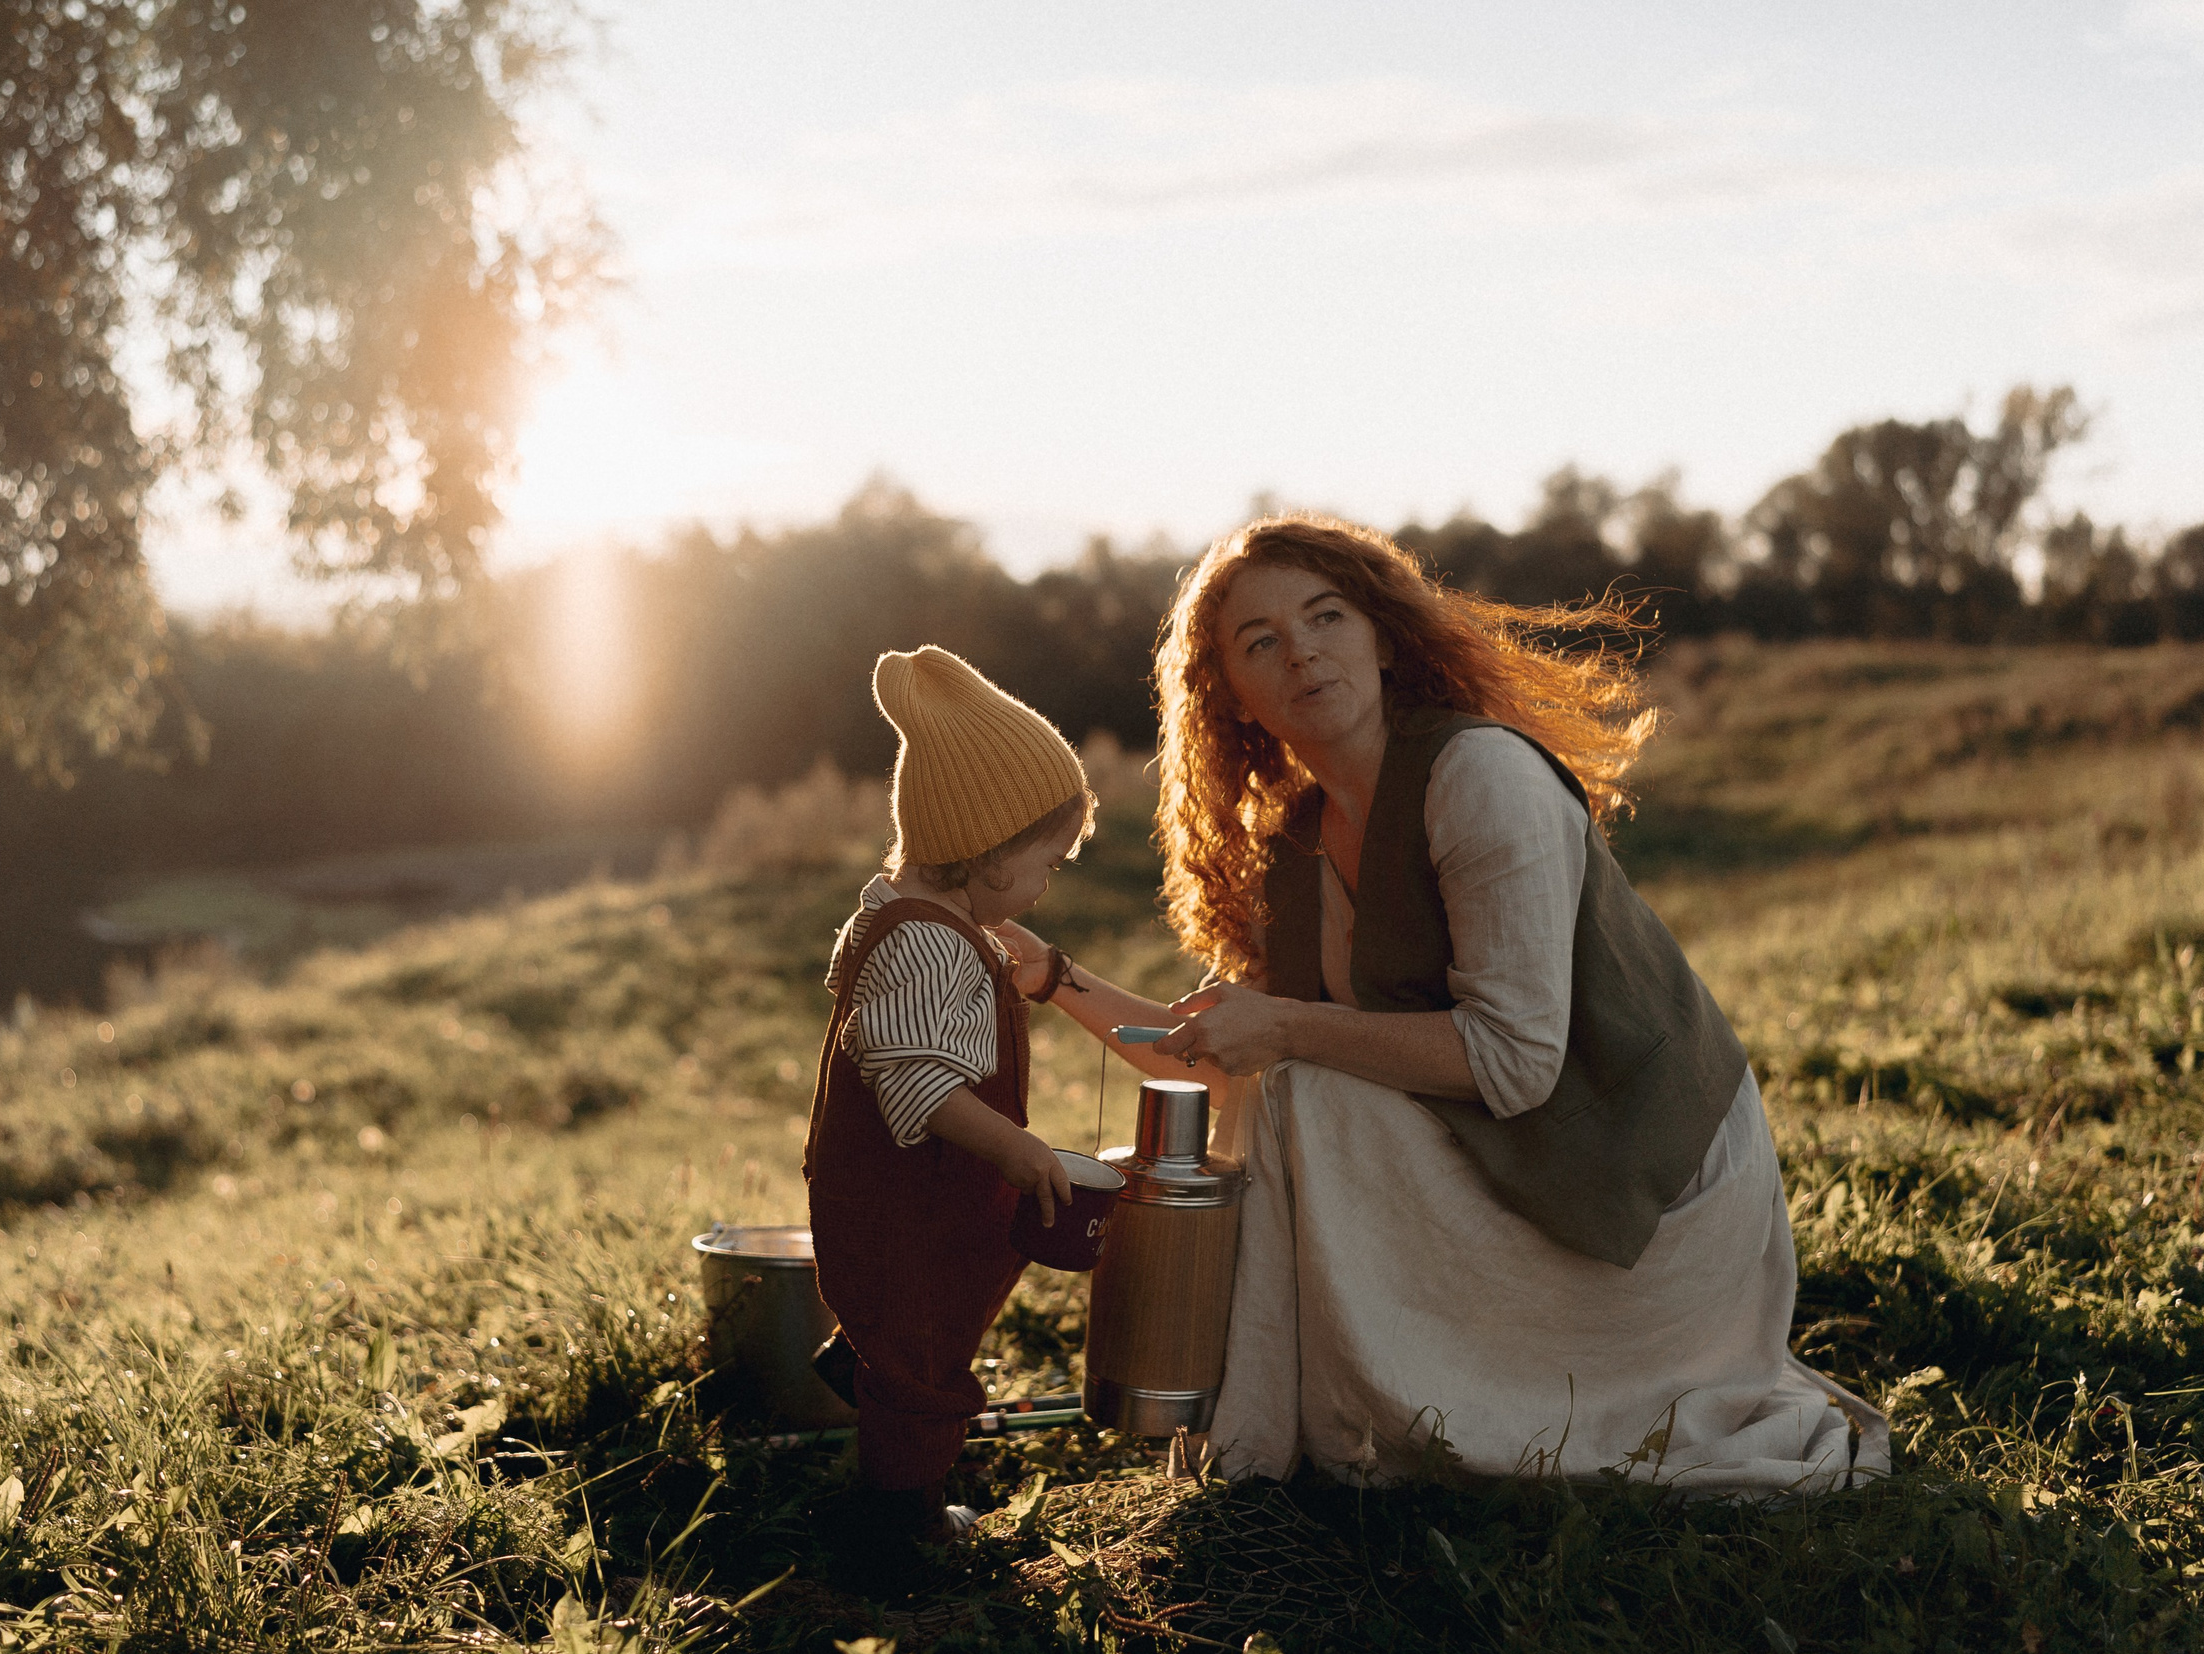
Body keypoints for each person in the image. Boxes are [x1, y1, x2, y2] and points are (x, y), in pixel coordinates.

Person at [998, 516, 1887, 1495]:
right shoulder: (1298, 842)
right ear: (1234, 699)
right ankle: (1268, 1440)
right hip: (1517, 1168)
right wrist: (1050, 977)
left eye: (1325, 615)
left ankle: (1265, 1451)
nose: (1301, 650)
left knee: (1305, 1090)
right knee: (1285, 1091)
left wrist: (1288, 1029)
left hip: (1650, 1204)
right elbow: (1226, 1062)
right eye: (1260, 641)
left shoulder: (1479, 776)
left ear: (1381, 636)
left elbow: (1514, 1064)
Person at [804, 645, 1093, 1553]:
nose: (1049, 882)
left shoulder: (909, 915)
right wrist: (1013, 1146)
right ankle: (906, 1530)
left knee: (912, 1322)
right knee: (924, 1354)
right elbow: (918, 1077)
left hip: (906, 1196)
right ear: (986, 852)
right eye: (1046, 861)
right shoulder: (929, 945)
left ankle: (864, 1365)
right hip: (909, 1198)